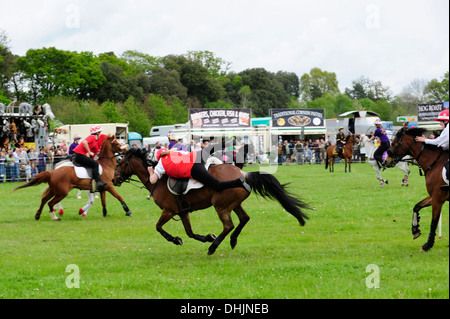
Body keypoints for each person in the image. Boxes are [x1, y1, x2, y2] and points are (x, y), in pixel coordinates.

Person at [147, 147, 251, 193]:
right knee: (212, 148)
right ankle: (227, 143)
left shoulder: (160, 163)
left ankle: (238, 182)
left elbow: (152, 181)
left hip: (193, 168)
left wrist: (151, 171)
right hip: (198, 155)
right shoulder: (173, 152)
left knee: (217, 186)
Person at [415, 108, 449, 191]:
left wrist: (425, 140)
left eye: (441, 121)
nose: (440, 123)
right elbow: (443, 145)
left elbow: (439, 142)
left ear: (446, 121)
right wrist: (426, 140)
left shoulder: (448, 129)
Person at [72, 125, 106, 191]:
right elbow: (85, 142)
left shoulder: (95, 141)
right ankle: (97, 182)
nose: (100, 134)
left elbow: (98, 152)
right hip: (79, 155)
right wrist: (89, 151)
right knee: (95, 164)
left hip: (81, 155)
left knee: (94, 163)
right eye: (100, 132)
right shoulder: (92, 137)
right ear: (97, 133)